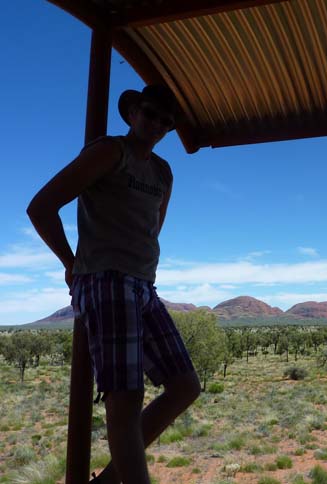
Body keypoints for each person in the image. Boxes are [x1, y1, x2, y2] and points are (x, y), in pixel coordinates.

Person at [27, 85, 201, 484]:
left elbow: (152, 229)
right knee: (125, 400)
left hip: (142, 286)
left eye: (166, 122)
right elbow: (41, 207)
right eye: (151, 113)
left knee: (184, 385)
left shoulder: (162, 172)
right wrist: (71, 263)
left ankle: (108, 480)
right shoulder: (110, 152)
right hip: (105, 280)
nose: (157, 125)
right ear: (133, 112)